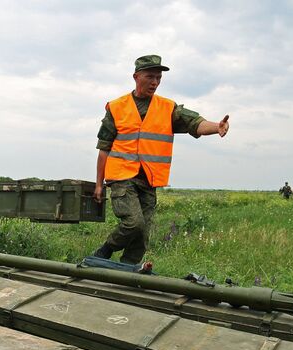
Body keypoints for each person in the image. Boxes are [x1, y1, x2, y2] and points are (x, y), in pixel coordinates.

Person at [92, 55, 230, 264]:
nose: (155, 82)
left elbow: (194, 122)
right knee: (134, 223)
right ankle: (106, 250)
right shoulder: (116, 107)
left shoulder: (168, 107)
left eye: (158, 78)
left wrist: (216, 127)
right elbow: (104, 149)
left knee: (142, 235)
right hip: (122, 176)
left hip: (149, 178)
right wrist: (99, 185)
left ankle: (126, 273)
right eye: (150, 77)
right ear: (136, 77)